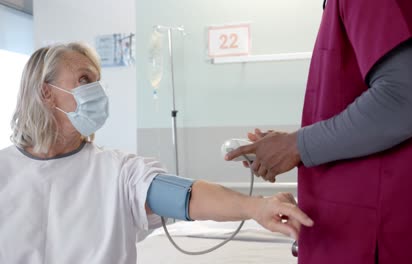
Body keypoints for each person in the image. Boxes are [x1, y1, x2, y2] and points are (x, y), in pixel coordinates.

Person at [0, 42, 313, 264]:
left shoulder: (119, 171)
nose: (96, 91)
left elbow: (185, 196)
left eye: (97, 82)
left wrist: (254, 207)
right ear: (46, 93)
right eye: (83, 80)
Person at [226, 0, 412, 263]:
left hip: (378, 237)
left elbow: (405, 100)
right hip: (358, 230)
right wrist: (291, 143)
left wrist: (297, 145)